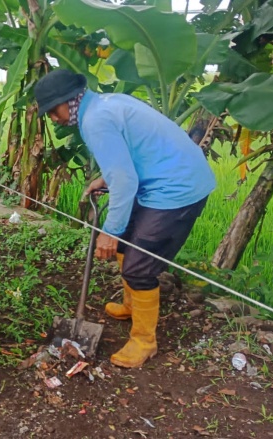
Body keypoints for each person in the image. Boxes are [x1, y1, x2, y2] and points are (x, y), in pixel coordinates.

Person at [34, 69, 216, 368]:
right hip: (162, 181)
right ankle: (133, 305)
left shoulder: (95, 120)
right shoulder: (105, 104)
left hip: (177, 190)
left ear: (70, 101)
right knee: (124, 248)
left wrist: (110, 231)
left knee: (138, 267)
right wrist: (105, 177)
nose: (53, 118)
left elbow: (126, 182)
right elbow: (129, 154)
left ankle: (145, 341)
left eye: (53, 110)